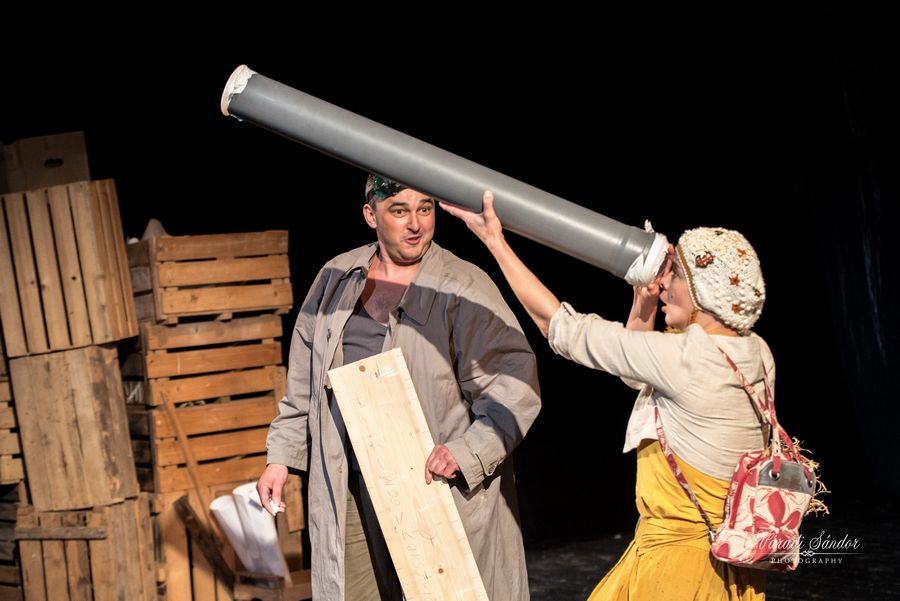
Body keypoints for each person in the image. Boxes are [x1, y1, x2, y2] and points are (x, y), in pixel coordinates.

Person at [441, 191, 769, 600]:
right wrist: (644, 300)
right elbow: (640, 377)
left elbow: (561, 329)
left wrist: (495, 242)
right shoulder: (754, 351)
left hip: (679, 567)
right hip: (731, 558)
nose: (666, 285)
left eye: (676, 277)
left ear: (704, 292)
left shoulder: (686, 358)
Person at [257, 175, 541, 601]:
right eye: (399, 211)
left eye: (425, 209)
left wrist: (468, 451)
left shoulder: (461, 285)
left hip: (434, 487)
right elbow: (304, 383)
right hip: (351, 483)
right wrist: (281, 458)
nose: (416, 224)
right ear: (370, 215)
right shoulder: (337, 278)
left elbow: (514, 382)